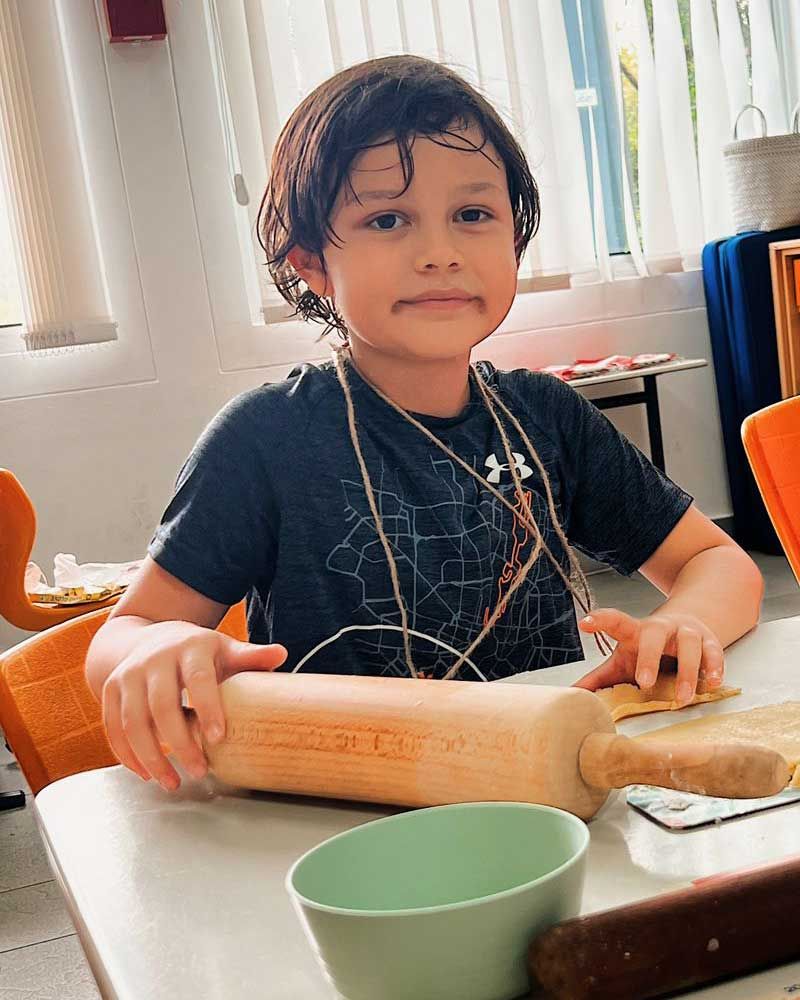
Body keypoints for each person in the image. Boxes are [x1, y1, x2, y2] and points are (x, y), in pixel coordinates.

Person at [85, 54, 763, 792]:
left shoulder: (546, 417)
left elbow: (717, 563)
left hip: (546, 794)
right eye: (387, 219)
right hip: (338, 814)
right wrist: (162, 647)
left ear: (514, 238)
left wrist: (686, 625)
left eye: (473, 215)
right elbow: (124, 633)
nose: (440, 253)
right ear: (312, 264)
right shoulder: (264, 441)